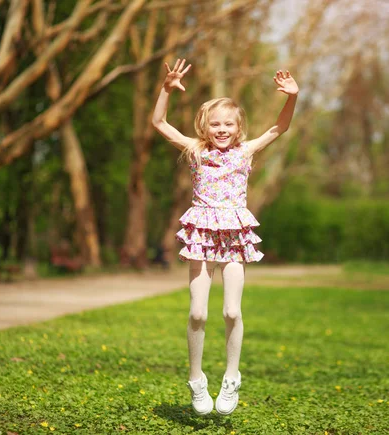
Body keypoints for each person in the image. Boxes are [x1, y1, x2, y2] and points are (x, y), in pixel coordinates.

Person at [152, 58, 299, 416]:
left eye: (228, 124)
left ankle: (232, 377)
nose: (221, 129)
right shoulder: (196, 150)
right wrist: (165, 90)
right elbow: (158, 123)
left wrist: (292, 97)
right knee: (198, 313)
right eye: (215, 123)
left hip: (234, 238)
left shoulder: (245, 152)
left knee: (232, 310)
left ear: (238, 127)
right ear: (205, 125)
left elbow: (279, 127)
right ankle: (196, 379)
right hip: (202, 235)